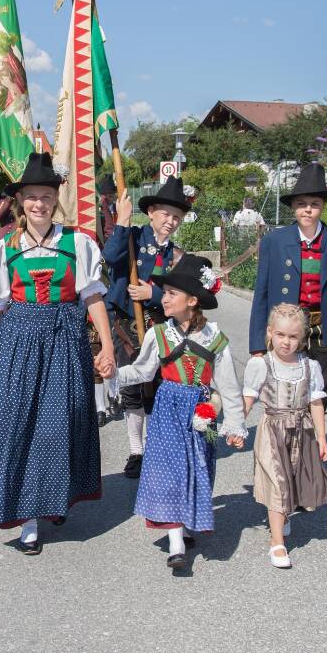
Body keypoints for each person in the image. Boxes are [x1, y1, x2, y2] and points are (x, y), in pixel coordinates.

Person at [0, 152, 115, 555]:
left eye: (45, 196)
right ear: (20, 201)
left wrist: (107, 345)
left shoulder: (78, 242)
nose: (38, 204)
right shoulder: (4, 247)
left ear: (55, 199)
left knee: (62, 422)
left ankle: (54, 495)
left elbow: (93, 298)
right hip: (18, 343)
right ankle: (28, 518)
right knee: (19, 423)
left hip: (66, 339)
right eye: (31, 197)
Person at [117, 254, 247, 571]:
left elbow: (228, 388)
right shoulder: (157, 334)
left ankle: (186, 524)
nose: (165, 298)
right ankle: (176, 544)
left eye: (172, 293)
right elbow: (142, 372)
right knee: (169, 473)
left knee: (195, 469)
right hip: (166, 410)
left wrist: (233, 424)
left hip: (199, 413)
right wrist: (111, 375)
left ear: (192, 301)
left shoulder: (214, 339)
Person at [249, 162, 327, 408]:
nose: (308, 210)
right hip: (285, 328)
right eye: (301, 204)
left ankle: (313, 442)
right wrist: (257, 343)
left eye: (314, 204)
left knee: (318, 389)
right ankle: (286, 440)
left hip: (322, 329)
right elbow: (262, 293)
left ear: (322, 206)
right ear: (293, 206)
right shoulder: (274, 241)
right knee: (283, 389)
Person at [102, 175, 188, 478]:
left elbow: (186, 297)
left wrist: (154, 294)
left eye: (177, 217)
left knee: (160, 389)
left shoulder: (177, 256)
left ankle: (157, 446)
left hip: (162, 330)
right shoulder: (133, 237)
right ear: (151, 212)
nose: (171, 221)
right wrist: (122, 221)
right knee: (132, 391)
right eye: (166, 213)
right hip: (128, 328)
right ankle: (136, 450)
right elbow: (110, 258)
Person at [243, 303, 327, 569]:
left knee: (293, 477)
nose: (286, 342)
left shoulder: (309, 367)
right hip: (272, 429)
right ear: (270, 332)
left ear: (303, 338)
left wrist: (322, 437)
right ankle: (277, 544)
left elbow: (316, 403)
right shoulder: (261, 364)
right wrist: (236, 426)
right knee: (277, 481)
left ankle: (283, 518)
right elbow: (249, 398)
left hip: (301, 429)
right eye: (281, 335)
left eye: (293, 336)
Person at [94, 175, 121, 425]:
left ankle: (114, 394)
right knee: (96, 343)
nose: (110, 197)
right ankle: (100, 405)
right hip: (96, 276)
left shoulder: (115, 209)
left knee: (116, 340)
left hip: (114, 278)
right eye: (108, 193)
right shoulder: (96, 210)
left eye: (112, 193)